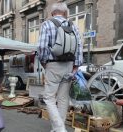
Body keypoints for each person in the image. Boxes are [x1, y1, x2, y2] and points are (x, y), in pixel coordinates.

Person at [37, 2, 83, 132]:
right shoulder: (73, 26)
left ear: (52, 13)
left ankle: (59, 128)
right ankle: (58, 128)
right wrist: (76, 67)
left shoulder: (47, 24)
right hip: (69, 65)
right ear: (65, 13)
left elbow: (41, 46)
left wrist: (44, 62)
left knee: (49, 98)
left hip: (53, 64)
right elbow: (79, 47)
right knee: (63, 99)